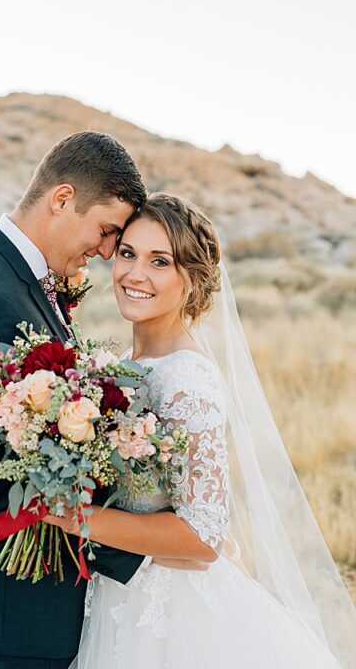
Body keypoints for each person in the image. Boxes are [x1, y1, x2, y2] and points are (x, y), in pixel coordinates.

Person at [42, 193, 356, 667]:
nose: (135, 274)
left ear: (192, 281)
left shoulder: (188, 380)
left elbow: (204, 538)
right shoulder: (125, 368)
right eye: (127, 253)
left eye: (159, 262)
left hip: (173, 619)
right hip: (118, 599)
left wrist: (74, 519)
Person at [0, 132, 150, 669]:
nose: (108, 251)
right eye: (107, 230)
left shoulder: (11, 278)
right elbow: (5, 484)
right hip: (16, 598)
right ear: (62, 199)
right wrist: (150, 541)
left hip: (31, 593)